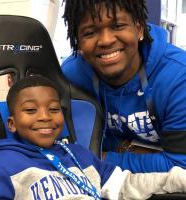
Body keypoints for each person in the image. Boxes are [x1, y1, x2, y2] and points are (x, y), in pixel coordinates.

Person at [0, 75, 185, 200]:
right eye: (30, 110)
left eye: (54, 109)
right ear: (11, 123)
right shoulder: (0, 165)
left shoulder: (79, 154)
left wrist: (175, 178)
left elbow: (126, 185)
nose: (45, 116)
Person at [61, 0, 186, 172]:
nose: (106, 40)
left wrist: (102, 158)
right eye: (90, 32)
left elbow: (181, 164)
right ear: (78, 41)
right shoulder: (70, 77)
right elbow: (64, 152)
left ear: (139, 28)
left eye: (118, 26)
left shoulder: (178, 76)